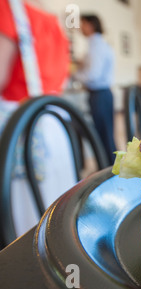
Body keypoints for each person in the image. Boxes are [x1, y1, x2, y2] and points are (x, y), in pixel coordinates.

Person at [0, 0, 76, 237]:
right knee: (53, 209)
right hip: (52, 126)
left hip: (20, 129)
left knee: (23, 216)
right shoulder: (52, 20)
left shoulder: (6, 9)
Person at [75, 14, 116, 165]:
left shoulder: (96, 46)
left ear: (90, 25)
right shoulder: (99, 44)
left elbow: (93, 75)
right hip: (103, 94)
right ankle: (107, 168)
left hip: (100, 95)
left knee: (103, 135)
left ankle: (108, 170)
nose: (80, 27)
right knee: (105, 134)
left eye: (82, 24)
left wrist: (74, 75)